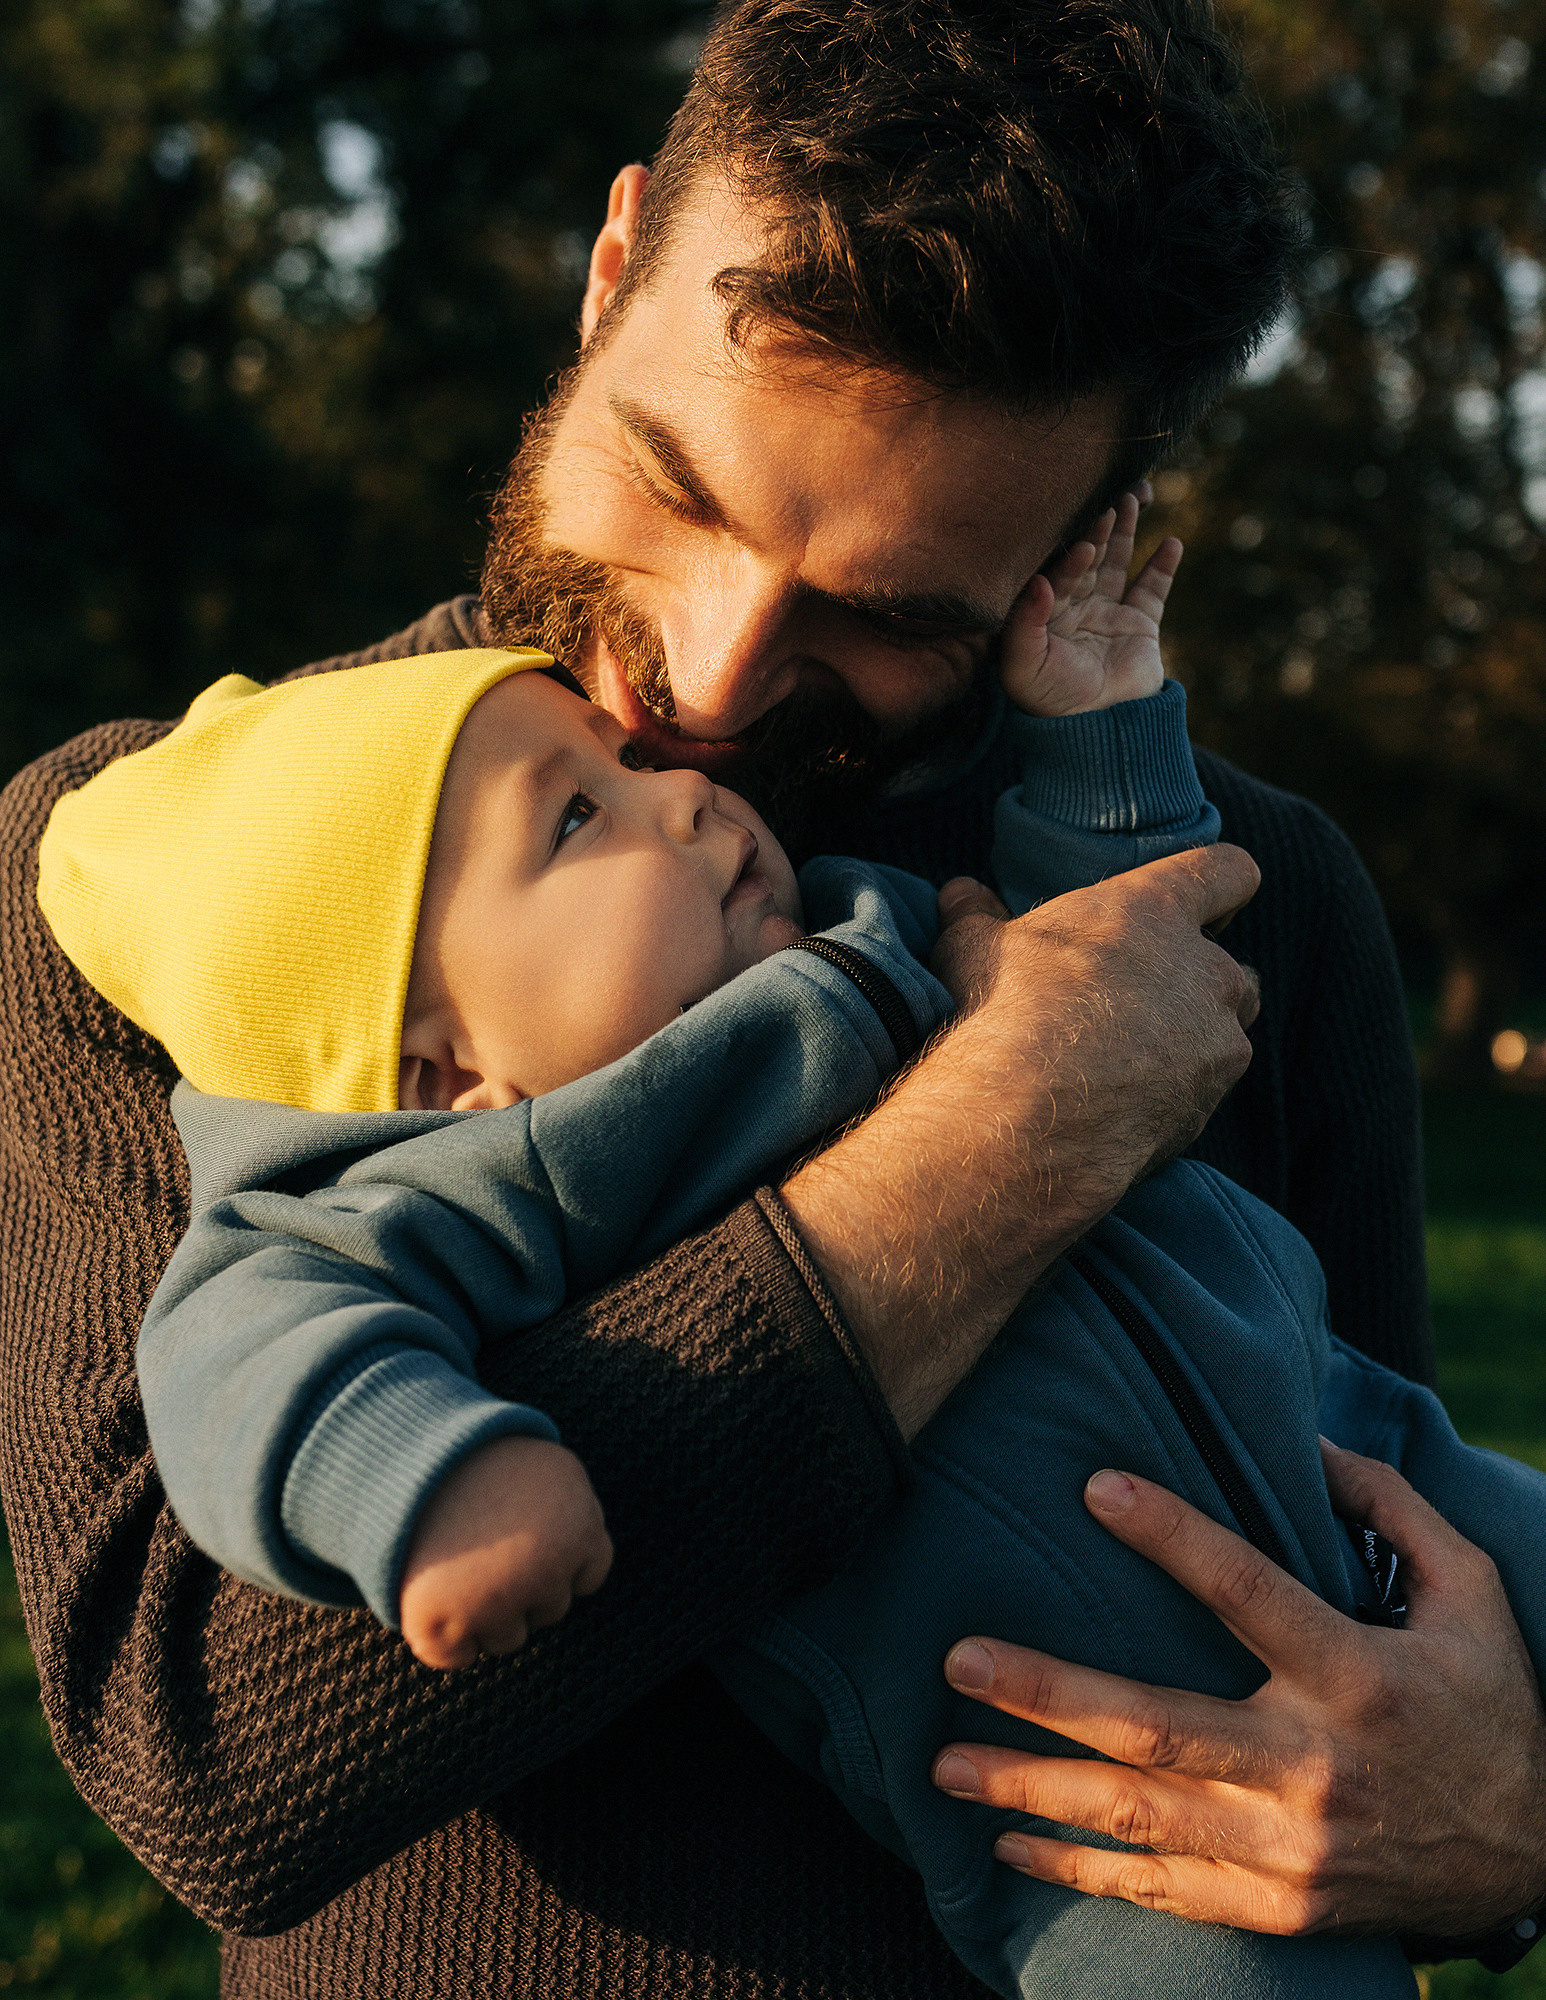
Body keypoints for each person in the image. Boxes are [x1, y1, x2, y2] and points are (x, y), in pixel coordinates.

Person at [1, 2, 1542, 1994]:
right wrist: (1002, 1141)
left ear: (1077, 537)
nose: (711, 684)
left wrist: (1499, 1822)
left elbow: (1366, 1535)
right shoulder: (179, 895)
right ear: (612, 260)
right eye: (677, 489)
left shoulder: (1249, 898)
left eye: (884, 615)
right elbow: (204, 1751)